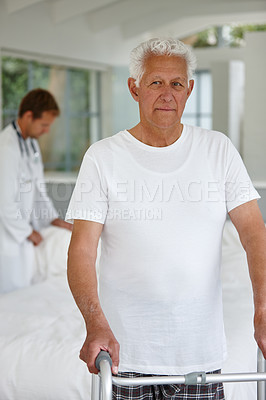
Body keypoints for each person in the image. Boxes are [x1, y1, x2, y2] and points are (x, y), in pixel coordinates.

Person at [66, 38, 266, 400]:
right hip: (123, 356)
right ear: (134, 88)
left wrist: (263, 308)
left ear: (189, 90)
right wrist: (94, 322)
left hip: (198, 357)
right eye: (156, 82)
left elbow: (254, 232)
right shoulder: (103, 157)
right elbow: (81, 249)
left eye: (176, 84)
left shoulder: (217, 149)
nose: (167, 94)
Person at [0, 88, 72, 293]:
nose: (47, 131)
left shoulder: (31, 145)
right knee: (9, 297)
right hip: (8, 239)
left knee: (26, 290)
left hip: (24, 240)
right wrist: (27, 232)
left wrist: (53, 219)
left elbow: (38, 189)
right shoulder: (6, 149)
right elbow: (4, 203)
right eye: (44, 125)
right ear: (29, 116)